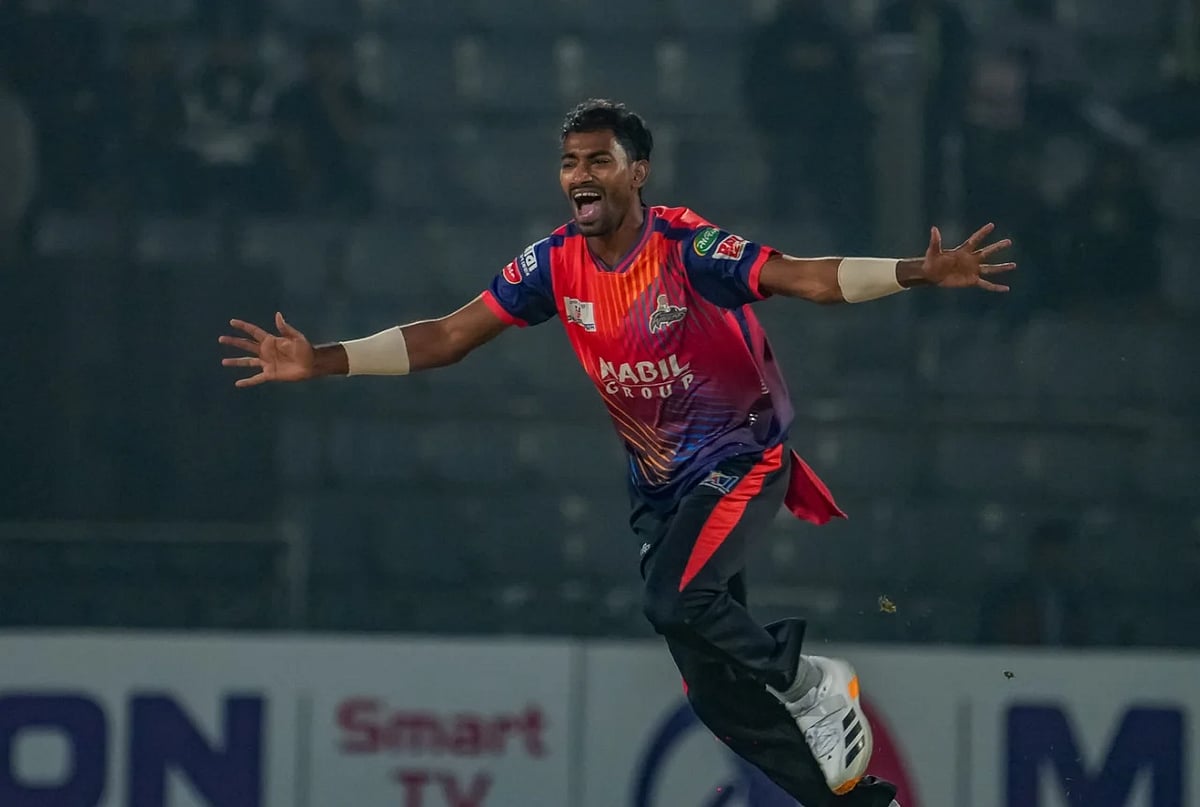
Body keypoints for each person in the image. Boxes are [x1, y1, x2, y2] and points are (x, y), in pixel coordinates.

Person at [220, 99, 1015, 807]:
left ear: (638, 172)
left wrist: (916, 272)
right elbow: (451, 334)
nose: (580, 175)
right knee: (712, 693)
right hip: (663, 491)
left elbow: (803, 279)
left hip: (742, 458)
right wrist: (323, 359)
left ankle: (808, 679)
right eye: (570, 161)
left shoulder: (687, 247)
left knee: (675, 599)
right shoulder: (553, 263)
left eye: (598, 160)